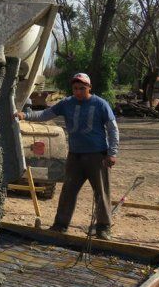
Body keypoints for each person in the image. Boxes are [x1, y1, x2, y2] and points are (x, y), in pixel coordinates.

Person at [15, 72, 119, 240]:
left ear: (89, 88)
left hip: (97, 156)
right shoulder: (67, 104)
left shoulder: (100, 104)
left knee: (101, 192)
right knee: (68, 191)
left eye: (82, 88)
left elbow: (113, 129)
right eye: (75, 88)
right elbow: (45, 114)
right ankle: (60, 225)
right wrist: (25, 115)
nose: (78, 91)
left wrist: (112, 153)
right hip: (75, 156)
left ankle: (103, 227)